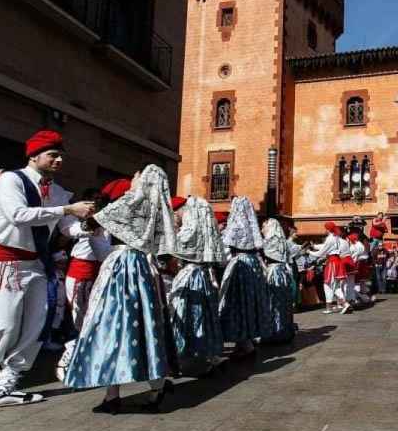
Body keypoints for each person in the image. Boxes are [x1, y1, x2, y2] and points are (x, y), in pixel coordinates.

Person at [0, 130, 95, 408]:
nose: (59, 160)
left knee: (37, 326)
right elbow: (18, 216)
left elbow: (67, 228)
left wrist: (89, 226)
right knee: (3, 325)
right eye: (53, 154)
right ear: (34, 155)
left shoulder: (59, 192)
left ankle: (7, 383)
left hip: (35, 262)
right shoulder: (11, 181)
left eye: (61, 155)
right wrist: (67, 210)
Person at [64, 164, 176, 414]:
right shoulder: (154, 209)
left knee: (109, 323)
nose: (132, 178)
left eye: (137, 175)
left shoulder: (128, 203)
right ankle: (154, 387)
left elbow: (89, 225)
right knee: (142, 325)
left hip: (120, 266)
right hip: (143, 268)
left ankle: (113, 394)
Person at [56, 182, 121, 381]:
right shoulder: (81, 221)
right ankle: (68, 358)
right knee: (79, 319)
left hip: (98, 273)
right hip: (80, 273)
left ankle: (85, 358)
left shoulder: (109, 224)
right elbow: (69, 234)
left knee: (92, 319)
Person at [167, 196, 225, 376]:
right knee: (204, 316)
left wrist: (172, 229)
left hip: (189, 275)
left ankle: (177, 357)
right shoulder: (205, 231)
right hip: (204, 276)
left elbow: (171, 247)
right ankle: (209, 355)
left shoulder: (189, 232)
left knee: (183, 315)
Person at [218, 196, 267, 357]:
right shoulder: (253, 229)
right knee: (249, 303)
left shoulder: (235, 226)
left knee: (237, 304)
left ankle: (243, 342)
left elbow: (225, 247)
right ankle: (247, 341)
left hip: (239, 265)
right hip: (253, 264)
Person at [260, 218, 296, 343]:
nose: (262, 230)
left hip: (273, 272)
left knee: (273, 302)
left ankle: (275, 332)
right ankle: (285, 331)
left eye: (264, 227)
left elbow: (261, 253)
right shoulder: (283, 241)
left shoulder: (269, 241)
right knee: (283, 303)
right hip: (283, 272)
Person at [309, 222, 350, 314]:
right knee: (335, 286)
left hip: (332, 263)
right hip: (337, 262)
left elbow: (321, 253)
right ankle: (343, 304)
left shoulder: (330, 238)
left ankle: (334, 306)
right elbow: (325, 247)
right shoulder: (336, 237)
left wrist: (309, 252)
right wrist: (314, 246)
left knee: (328, 285)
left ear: (328, 229)